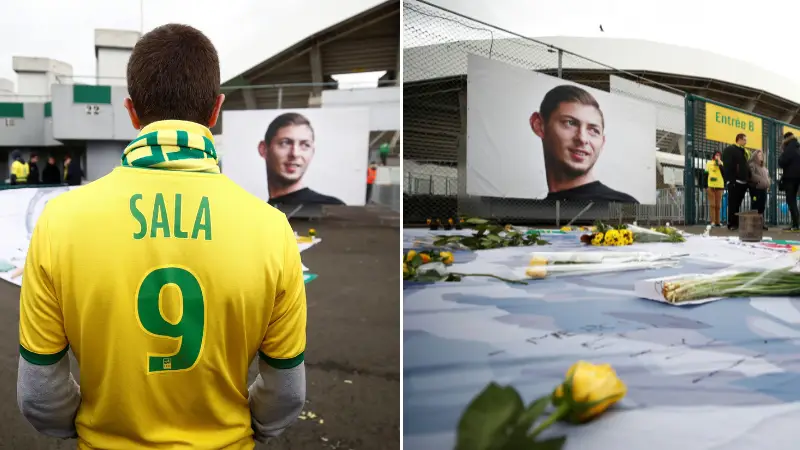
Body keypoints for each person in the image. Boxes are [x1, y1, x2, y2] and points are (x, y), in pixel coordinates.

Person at [17, 24, 307, 448]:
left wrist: (80, 429)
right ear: (215, 111)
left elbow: (39, 393)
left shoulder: (59, 221)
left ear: (132, 112)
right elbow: (287, 392)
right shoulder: (272, 230)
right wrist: (256, 428)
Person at [530, 85, 639, 203]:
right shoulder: (526, 214)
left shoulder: (622, 207)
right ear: (539, 125)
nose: (582, 138)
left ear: (602, 142)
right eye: (570, 123)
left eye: (593, 130)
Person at [258, 112, 345, 206]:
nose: (295, 153)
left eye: (305, 145)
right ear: (264, 149)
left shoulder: (331, 208)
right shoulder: (257, 214)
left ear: (312, 152)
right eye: (285, 143)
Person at [721, 133, 750, 231]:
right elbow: (727, 166)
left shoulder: (744, 151)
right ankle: (731, 223)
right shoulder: (730, 150)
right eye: (744, 140)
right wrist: (730, 180)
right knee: (733, 203)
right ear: (739, 139)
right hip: (734, 181)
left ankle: (736, 223)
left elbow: (746, 166)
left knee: (738, 204)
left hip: (743, 182)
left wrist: (747, 179)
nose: (746, 142)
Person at [779, 131, 800, 230]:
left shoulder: (788, 148)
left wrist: (782, 153)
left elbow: (782, 162)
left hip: (790, 178)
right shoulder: (798, 146)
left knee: (791, 200)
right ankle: (796, 223)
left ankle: (795, 224)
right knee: (794, 200)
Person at [748, 149, 770, 231]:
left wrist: (767, 182)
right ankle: (753, 224)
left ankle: (761, 223)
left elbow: (767, 177)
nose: (761, 157)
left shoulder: (764, 167)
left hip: (763, 189)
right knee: (755, 206)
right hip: (755, 188)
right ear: (755, 156)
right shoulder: (752, 165)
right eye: (759, 155)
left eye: (762, 155)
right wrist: (760, 180)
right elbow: (751, 175)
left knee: (762, 207)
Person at [706, 150, 724, 227]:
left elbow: (724, 173)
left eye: (719, 155)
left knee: (718, 205)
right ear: (714, 156)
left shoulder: (722, 163)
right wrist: (705, 186)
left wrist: (720, 164)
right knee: (712, 204)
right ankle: (712, 221)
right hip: (711, 186)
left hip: (719, 186)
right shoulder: (709, 163)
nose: (718, 157)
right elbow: (705, 174)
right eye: (716, 155)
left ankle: (718, 222)